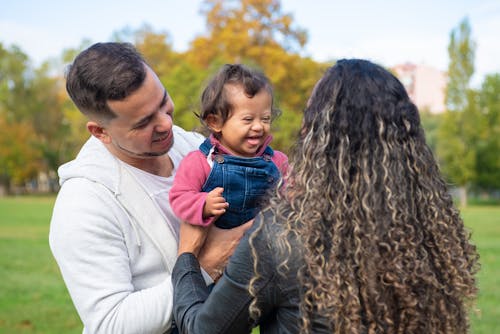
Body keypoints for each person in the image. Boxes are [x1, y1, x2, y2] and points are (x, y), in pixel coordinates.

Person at [172, 59, 479, 333]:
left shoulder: (281, 237)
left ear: (318, 135)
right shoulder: (421, 230)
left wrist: (186, 258)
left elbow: (204, 329)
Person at [49, 42, 250, 334]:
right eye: (144, 122)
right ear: (100, 131)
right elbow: (111, 323)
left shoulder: (191, 146)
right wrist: (203, 267)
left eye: (163, 102)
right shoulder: (83, 205)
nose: (166, 123)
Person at [169, 64, 288, 229]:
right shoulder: (201, 162)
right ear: (215, 122)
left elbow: (295, 198)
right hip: (221, 249)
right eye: (248, 119)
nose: (259, 127)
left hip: (268, 247)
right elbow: (179, 197)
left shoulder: (277, 161)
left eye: (265, 119)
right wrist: (203, 204)